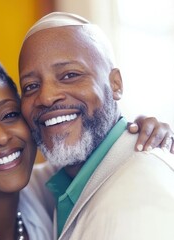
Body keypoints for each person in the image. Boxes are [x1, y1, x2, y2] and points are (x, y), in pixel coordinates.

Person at [0, 34, 173, 240]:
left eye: (9, 115)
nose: (0, 137)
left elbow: (93, 155)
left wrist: (136, 131)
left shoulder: (45, 191)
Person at [19, 12, 174, 240]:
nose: (47, 97)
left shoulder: (143, 194)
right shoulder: (56, 181)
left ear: (115, 84)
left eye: (70, 75)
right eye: (31, 86)